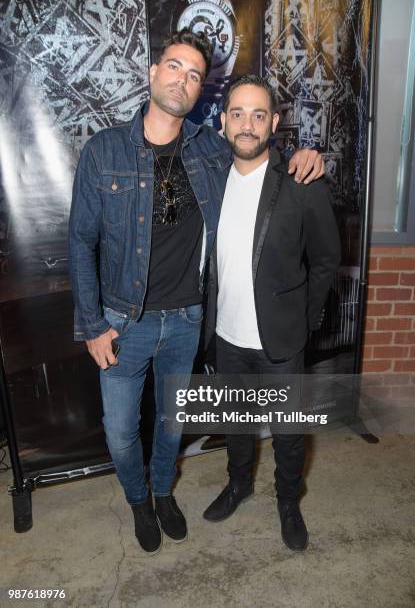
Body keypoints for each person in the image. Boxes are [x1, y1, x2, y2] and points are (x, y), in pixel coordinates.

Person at [68, 29, 325, 555]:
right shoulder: (108, 149)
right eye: (173, 67)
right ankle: (141, 500)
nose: (182, 79)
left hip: (188, 323)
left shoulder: (209, 151)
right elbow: (80, 242)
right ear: (152, 72)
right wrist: (92, 324)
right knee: (121, 433)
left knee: (176, 427)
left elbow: (261, 154)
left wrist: (309, 155)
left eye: (193, 74)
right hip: (128, 323)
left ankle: (180, 495)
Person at [202, 75, 341, 551]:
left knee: (287, 434)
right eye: (237, 114)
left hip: (281, 340)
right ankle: (238, 484)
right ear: (222, 122)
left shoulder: (301, 181)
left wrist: (304, 320)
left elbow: (325, 259)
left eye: (258, 115)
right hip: (225, 336)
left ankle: (288, 500)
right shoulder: (209, 177)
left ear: (274, 123)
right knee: (237, 426)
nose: (247, 124)